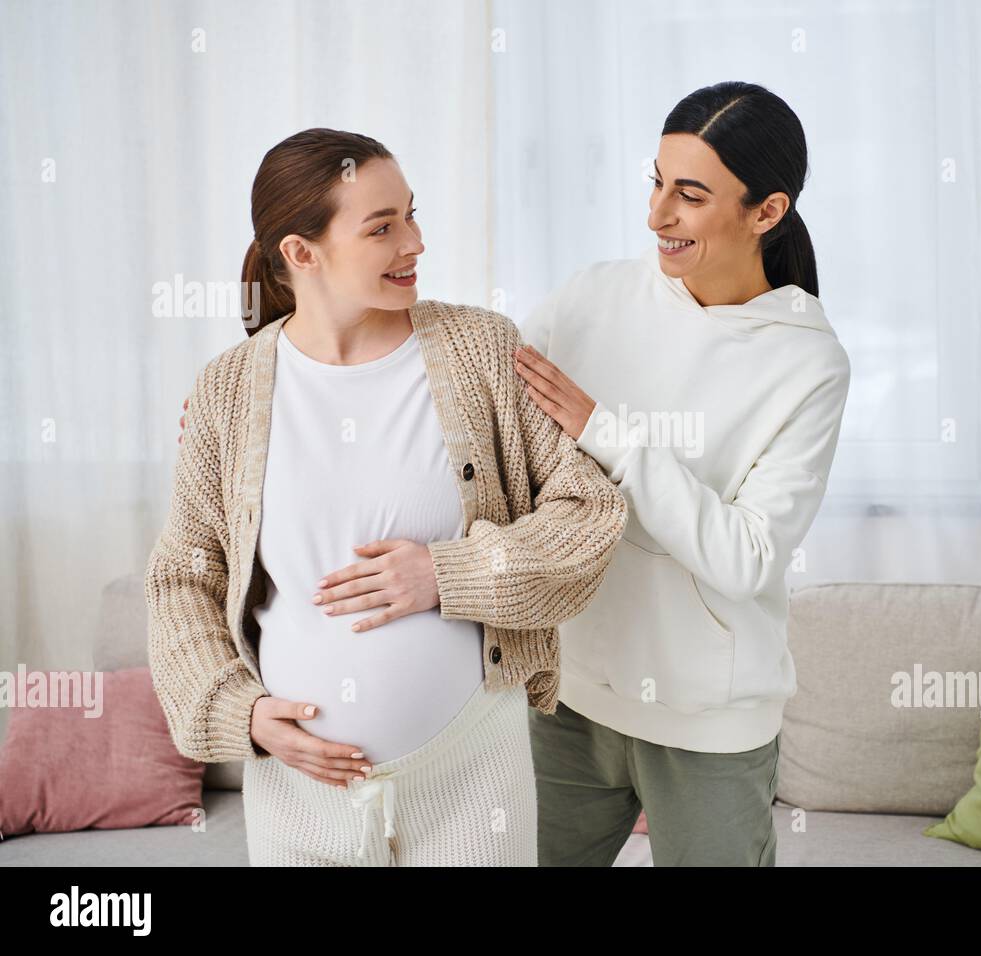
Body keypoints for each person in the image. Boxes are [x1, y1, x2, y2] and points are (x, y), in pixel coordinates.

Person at [148, 127, 626, 866]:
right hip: (299, 798)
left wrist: (448, 573)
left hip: (473, 779)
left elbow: (589, 515)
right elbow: (184, 579)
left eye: (411, 214)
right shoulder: (228, 389)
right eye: (383, 227)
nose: (416, 242)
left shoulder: (481, 351)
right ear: (301, 254)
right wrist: (242, 715)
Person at [515, 81, 851, 866]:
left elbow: (747, 556)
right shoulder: (593, 296)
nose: (656, 215)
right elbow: (475, 417)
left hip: (708, 724)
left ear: (766, 212)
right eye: (656, 182)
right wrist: (274, 400)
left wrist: (608, 433)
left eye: (690, 196)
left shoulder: (808, 362)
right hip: (570, 697)